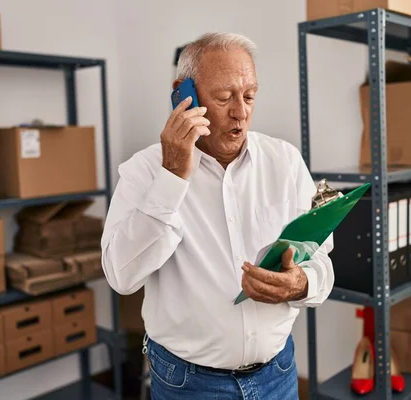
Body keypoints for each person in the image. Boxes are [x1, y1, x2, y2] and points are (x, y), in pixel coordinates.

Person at [101, 32, 335, 399]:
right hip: (189, 385)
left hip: (278, 374)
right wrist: (172, 177)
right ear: (184, 94)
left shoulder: (285, 162)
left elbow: (320, 256)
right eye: (225, 97)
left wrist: (301, 284)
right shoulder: (144, 171)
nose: (240, 111)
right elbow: (121, 275)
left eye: (250, 96)